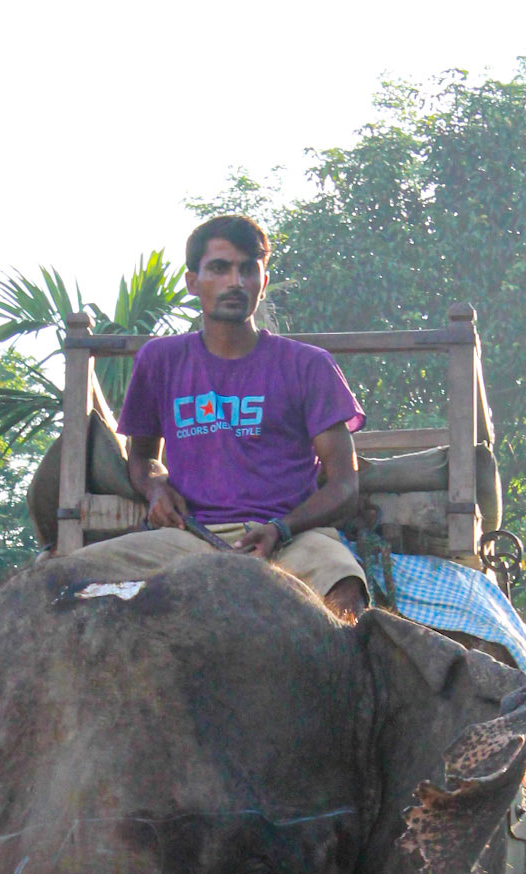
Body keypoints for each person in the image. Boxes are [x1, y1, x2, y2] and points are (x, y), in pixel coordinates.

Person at [111, 213, 370, 618]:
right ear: (193, 281)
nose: (235, 281)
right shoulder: (159, 361)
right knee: (78, 577)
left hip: (292, 539)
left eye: (248, 269)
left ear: (262, 282)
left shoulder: (309, 366)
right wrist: (156, 490)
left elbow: (344, 485)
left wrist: (281, 528)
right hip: (188, 536)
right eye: (219, 268)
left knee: (344, 587)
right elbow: (141, 457)